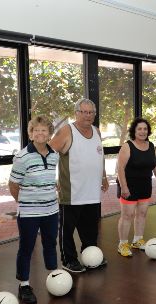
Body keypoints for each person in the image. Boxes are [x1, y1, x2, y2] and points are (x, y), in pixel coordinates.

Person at [49, 98, 109, 273]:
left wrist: (104, 176)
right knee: (67, 230)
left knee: (91, 229)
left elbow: (100, 156)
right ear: (76, 113)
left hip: (92, 192)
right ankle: (68, 259)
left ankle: (90, 255)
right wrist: (52, 179)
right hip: (72, 192)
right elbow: (49, 154)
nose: (87, 115)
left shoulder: (97, 131)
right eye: (83, 112)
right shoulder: (67, 131)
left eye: (91, 112)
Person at [9, 116, 59, 304]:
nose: (40, 133)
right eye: (36, 130)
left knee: (50, 243)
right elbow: (13, 184)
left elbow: (48, 177)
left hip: (51, 210)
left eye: (44, 130)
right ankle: (24, 285)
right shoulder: (22, 156)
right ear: (30, 133)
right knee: (27, 248)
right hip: (29, 213)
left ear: (49, 133)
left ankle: (54, 276)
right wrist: (23, 202)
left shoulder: (54, 154)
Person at [116, 118, 156, 257]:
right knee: (127, 215)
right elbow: (120, 169)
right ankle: (122, 244)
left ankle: (137, 240)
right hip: (129, 186)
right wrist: (124, 187)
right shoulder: (127, 146)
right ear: (134, 131)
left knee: (142, 214)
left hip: (145, 185)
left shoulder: (151, 145)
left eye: (145, 129)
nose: (143, 131)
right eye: (139, 129)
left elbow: (155, 165)